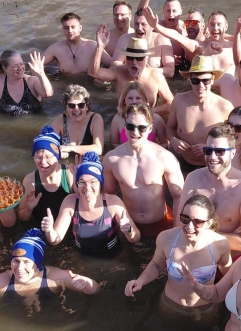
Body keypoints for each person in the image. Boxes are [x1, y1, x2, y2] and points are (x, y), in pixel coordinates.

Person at [124, 194, 231, 317]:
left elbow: (229, 276)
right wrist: (140, 281)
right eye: (185, 218)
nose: (189, 226)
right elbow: (156, 264)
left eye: (198, 222)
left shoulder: (220, 244)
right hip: (170, 305)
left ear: (209, 223)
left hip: (205, 309)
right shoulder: (166, 238)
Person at [0, 229, 100, 307]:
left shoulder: (54, 277)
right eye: (16, 261)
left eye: (27, 262)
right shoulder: (1, 280)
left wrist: (86, 283)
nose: (20, 267)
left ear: (37, 263)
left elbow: (96, 290)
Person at [103, 103, 184, 238]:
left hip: (161, 222)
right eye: (130, 126)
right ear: (124, 126)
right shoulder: (112, 159)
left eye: (141, 128)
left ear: (150, 128)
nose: (135, 133)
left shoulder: (164, 158)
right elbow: (109, 196)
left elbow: (179, 195)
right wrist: (115, 225)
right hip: (128, 223)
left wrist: (176, 230)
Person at [178, 124, 241, 257]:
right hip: (194, 252)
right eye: (208, 151)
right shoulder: (193, 178)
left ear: (232, 153)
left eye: (220, 151)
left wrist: (199, 232)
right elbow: (179, 225)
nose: (213, 157)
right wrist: (231, 238)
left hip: (228, 258)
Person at [42, 152, 140, 255]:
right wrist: (49, 231)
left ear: (100, 184)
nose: (87, 188)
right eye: (82, 182)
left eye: (93, 182)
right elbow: (56, 239)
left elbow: (136, 238)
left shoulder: (113, 203)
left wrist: (129, 230)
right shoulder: (70, 202)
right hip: (81, 257)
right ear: (77, 184)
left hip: (112, 258)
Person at [167, 55, 234, 167]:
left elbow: (235, 141)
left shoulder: (225, 107)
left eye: (205, 81)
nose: (200, 85)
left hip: (213, 167)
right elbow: (169, 127)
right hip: (183, 162)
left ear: (212, 80)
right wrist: (173, 140)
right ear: (190, 80)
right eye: (195, 81)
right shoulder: (179, 101)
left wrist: (211, 148)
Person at [89, 32, 174, 114]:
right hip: (124, 122)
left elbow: (172, 104)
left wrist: (148, 112)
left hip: (148, 122)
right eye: (130, 57)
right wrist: (100, 47)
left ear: (147, 58)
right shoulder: (118, 72)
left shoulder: (156, 76)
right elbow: (93, 72)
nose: (134, 62)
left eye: (139, 58)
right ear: (125, 58)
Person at [144, 5, 237, 78]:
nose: (190, 26)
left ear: (203, 25)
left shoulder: (228, 43)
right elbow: (176, 36)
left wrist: (238, 30)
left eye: (194, 23)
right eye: (187, 23)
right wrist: (156, 26)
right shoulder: (195, 45)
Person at [18, 126, 75, 227]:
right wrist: (28, 209)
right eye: (38, 157)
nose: (43, 162)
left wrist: (82, 178)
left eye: (48, 157)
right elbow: (22, 217)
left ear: (57, 157)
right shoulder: (30, 180)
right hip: (42, 229)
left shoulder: (69, 173)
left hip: (68, 229)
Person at [136, 0, 187, 69]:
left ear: (180, 12)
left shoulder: (185, 28)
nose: (171, 14)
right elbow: (141, 12)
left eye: (174, 11)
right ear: (163, 12)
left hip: (181, 68)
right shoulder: (156, 25)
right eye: (168, 11)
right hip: (162, 68)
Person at [111, 8, 174, 77]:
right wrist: (131, 68)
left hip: (153, 82)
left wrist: (144, 70)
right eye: (137, 24)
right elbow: (115, 64)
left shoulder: (162, 40)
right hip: (130, 81)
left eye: (143, 24)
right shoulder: (125, 39)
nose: (139, 28)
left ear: (152, 26)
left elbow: (170, 71)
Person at [50, 84, 105, 158]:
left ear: (87, 106)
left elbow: (98, 149)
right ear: (66, 107)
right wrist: (57, 152)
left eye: (81, 105)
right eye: (71, 106)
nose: (76, 109)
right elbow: (45, 142)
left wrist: (70, 148)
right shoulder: (61, 120)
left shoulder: (95, 119)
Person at [108, 81, 169, 148]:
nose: (134, 101)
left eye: (138, 98)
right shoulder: (117, 119)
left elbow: (165, 144)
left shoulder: (156, 119)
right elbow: (114, 144)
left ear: (144, 100)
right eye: (130, 98)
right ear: (124, 100)